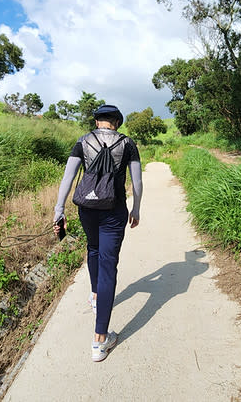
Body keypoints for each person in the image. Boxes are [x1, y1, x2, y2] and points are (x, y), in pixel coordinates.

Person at [53, 104, 143, 362]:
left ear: (97, 122)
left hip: (87, 209)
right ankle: (100, 341)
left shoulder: (82, 142)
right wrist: (135, 209)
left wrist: (59, 210)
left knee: (92, 249)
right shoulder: (128, 144)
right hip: (114, 212)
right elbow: (136, 182)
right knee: (108, 266)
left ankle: (95, 297)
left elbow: (67, 179)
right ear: (116, 122)